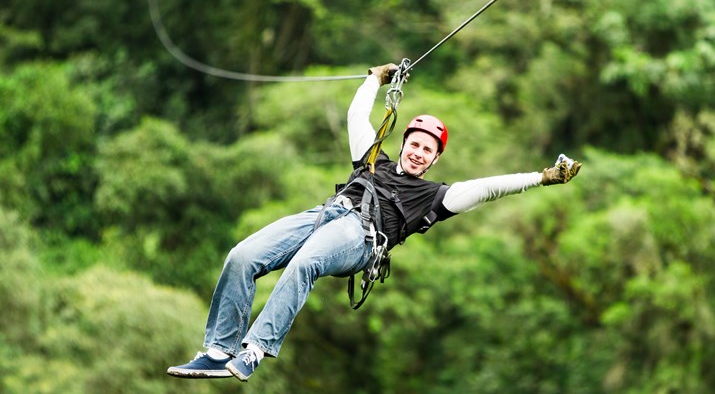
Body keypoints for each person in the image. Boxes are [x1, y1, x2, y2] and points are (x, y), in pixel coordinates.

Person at [166, 63, 582, 382]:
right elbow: (356, 118)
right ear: (404, 145)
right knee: (243, 255)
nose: (419, 153)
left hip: (361, 236)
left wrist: (542, 177)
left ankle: (254, 349)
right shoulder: (372, 159)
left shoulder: (435, 196)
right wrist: (374, 79)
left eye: (428, 151)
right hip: (324, 214)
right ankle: (219, 351)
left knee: (305, 263)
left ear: (436, 160)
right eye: (415, 145)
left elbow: (490, 187)